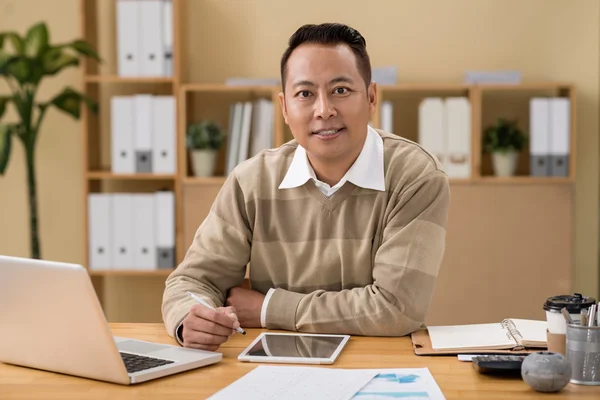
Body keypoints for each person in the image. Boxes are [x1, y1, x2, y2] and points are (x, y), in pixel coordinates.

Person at [162, 22, 450, 351]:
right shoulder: (252, 181)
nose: (324, 110)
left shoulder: (415, 177)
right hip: (273, 368)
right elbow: (193, 281)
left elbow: (396, 309)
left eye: (340, 90)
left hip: (382, 368)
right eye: (305, 94)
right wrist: (190, 317)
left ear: (371, 98)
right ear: (285, 107)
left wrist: (269, 309)